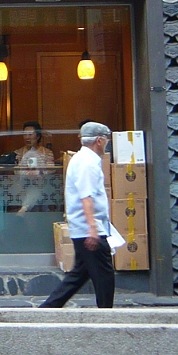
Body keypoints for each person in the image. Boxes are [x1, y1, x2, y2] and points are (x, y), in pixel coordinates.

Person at [41, 121, 114, 309]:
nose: (107, 143)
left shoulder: (83, 160)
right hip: (88, 228)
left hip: (85, 227)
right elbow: (86, 196)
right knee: (104, 274)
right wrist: (92, 228)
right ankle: (107, 314)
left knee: (79, 275)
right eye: (106, 139)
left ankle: (49, 308)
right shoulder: (87, 163)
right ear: (99, 140)